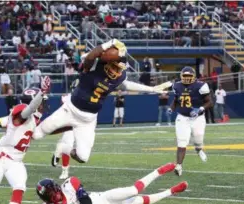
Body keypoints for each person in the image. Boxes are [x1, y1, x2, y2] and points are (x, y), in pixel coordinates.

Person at [32, 39, 172, 164]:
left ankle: (70, 130)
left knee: (83, 157)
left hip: (89, 119)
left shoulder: (119, 76)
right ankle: (28, 122)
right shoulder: (95, 65)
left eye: (119, 69)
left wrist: (152, 89)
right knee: (36, 134)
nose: (117, 71)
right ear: (109, 61)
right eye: (115, 67)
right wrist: (109, 43)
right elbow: (90, 56)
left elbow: (126, 85)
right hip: (71, 109)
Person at [31, 163, 188, 204]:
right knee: (137, 200)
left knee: (133, 190)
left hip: (100, 198)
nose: (55, 194)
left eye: (54, 189)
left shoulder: (70, 184)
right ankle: (171, 191)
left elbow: (85, 202)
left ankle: (158, 171)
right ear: (46, 198)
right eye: (50, 193)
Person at [168, 67, 213, 176]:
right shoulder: (177, 86)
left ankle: (199, 149)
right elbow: (176, 100)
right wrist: (172, 108)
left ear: (194, 76)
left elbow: (209, 102)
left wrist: (201, 109)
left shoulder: (201, 86)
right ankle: (179, 165)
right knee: (182, 142)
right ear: (181, 76)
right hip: (182, 118)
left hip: (198, 118)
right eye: (185, 76)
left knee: (198, 139)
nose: (187, 79)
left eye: (189, 76)